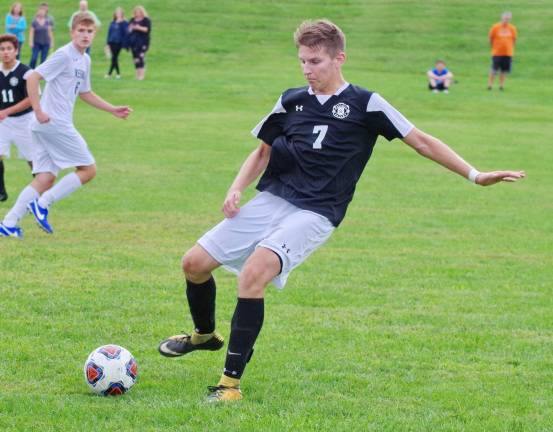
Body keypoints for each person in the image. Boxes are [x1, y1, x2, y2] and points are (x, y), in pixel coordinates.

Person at [157, 19, 525, 402]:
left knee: (253, 274)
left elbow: (422, 142)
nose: (306, 69)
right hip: (273, 199)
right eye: (302, 61)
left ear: (339, 59)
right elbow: (263, 150)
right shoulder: (291, 100)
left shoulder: (367, 104)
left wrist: (475, 174)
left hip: (316, 212)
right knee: (193, 264)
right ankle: (204, 335)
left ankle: (229, 386)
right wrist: (236, 188)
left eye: (315, 61)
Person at [0, 13, 132, 239]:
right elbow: (32, 77)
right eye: (81, 30)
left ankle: (8, 223)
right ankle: (43, 204)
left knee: (45, 178)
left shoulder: (84, 59)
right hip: (53, 123)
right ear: (72, 32)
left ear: (94, 34)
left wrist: (112, 109)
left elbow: (85, 92)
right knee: (88, 170)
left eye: (89, 31)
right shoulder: (64, 55)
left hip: (45, 126)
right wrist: (38, 110)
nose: (85, 35)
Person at [0, 34, 35, 205]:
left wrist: (8, 111)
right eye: (2, 49)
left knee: (33, 160)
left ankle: (41, 194)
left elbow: (32, 98)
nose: (5, 52)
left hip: (25, 120)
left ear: (16, 51)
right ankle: (0, 192)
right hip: (3, 122)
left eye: (9, 49)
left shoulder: (27, 72)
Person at [488, 11, 517, 91]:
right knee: (494, 70)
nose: (506, 20)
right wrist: (493, 47)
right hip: (497, 52)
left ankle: (501, 86)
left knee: (504, 70)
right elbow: (490, 38)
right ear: (502, 17)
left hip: (508, 53)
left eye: (508, 19)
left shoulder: (512, 28)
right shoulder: (495, 27)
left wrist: (511, 49)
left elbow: (514, 40)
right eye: (505, 18)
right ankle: (490, 85)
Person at [128, 6, 151, 80]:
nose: (137, 13)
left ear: (142, 12)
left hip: (143, 42)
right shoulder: (132, 20)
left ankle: (142, 75)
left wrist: (138, 27)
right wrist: (131, 28)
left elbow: (147, 30)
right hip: (133, 42)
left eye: (139, 12)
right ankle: (137, 75)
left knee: (140, 57)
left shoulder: (146, 20)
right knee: (135, 59)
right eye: (136, 12)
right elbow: (128, 30)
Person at [105, 7, 128, 79]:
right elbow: (109, 33)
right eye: (117, 13)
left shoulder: (124, 23)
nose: (118, 14)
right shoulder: (112, 22)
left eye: (119, 13)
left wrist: (125, 43)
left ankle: (111, 74)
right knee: (114, 58)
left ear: (122, 14)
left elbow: (126, 33)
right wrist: (107, 43)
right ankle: (116, 74)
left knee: (114, 57)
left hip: (119, 42)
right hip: (111, 42)